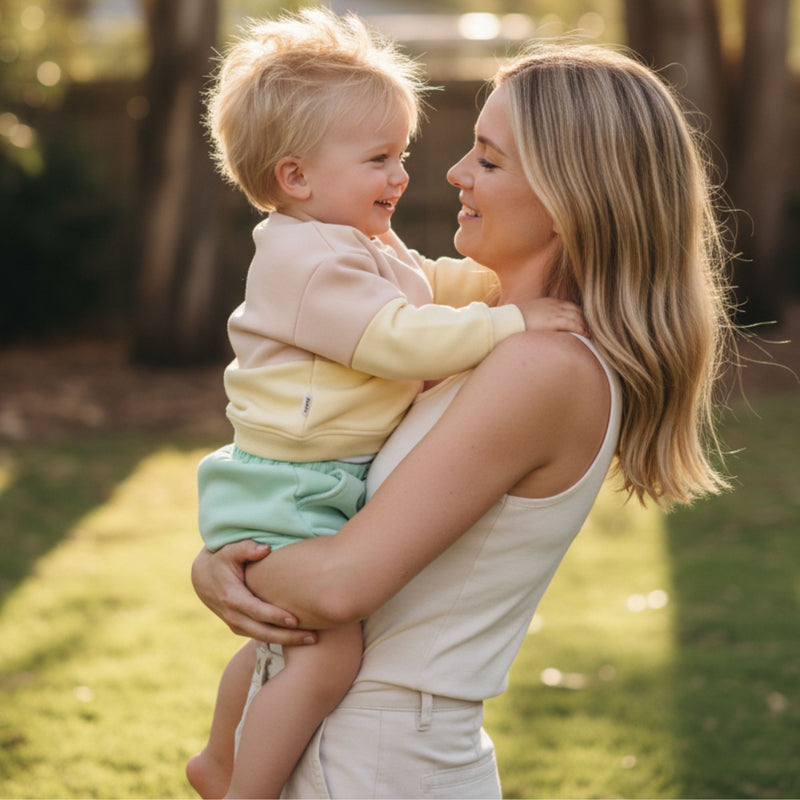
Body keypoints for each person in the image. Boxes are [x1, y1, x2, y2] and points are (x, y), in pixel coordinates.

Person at [191, 39, 734, 799]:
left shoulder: (541, 365)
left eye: (488, 158)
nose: (452, 173)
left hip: (377, 763)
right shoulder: (483, 335)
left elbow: (342, 584)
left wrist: (222, 571)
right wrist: (231, 563)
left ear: (568, 194)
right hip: (346, 743)